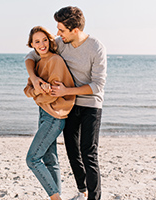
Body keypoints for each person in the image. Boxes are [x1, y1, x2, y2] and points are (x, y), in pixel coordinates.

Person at [25, 6, 106, 200]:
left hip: (91, 104)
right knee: (72, 150)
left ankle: (94, 198)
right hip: (69, 104)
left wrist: (66, 91)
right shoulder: (61, 43)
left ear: (74, 30)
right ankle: (82, 191)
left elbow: (98, 85)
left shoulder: (96, 47)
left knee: (88, 153)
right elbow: (31, 56)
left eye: (61, 30)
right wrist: (35, 79)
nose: (57, 34)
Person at [23, 26, 76, 200]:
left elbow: (52, 93)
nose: (41, 44)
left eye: (44, 39)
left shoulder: (55, 61)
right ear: (32, 44)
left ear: (50, 40)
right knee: (50, 159)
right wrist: (37, 88)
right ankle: (56, 196)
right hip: (44, 114)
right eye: (37, 41)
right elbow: (27, 90)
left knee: (32, 159)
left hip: (54, 116)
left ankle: (56, 198)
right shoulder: (38, 64)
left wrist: (37, 91)